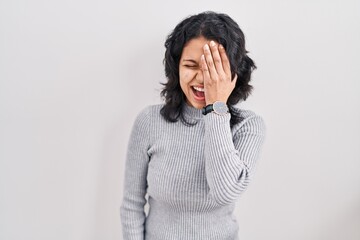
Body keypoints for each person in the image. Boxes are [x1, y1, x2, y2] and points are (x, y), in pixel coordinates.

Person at [120, 11, 266, 240]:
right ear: (176, 67)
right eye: (191, 65)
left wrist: (216, 107)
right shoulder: (148, 121)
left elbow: (225, 192)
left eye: (213, 69)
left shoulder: (248, 126)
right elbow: (132, 204)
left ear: (234, 73)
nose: (202, 79)